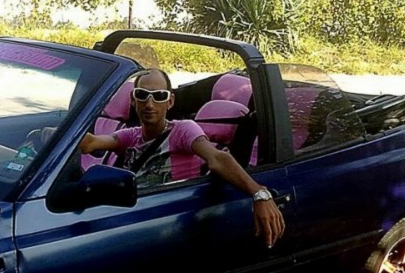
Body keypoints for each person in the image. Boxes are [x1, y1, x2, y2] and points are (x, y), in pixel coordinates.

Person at [79, 68, 286, 247]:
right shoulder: (131, 136)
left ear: (170, 101)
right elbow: (90, 143)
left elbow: (217, 158)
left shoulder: (183, 130)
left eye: (159, 96)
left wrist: (260, 194)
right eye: (142, 95)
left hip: (169, 220)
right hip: (135, 215)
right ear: (133, 100)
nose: (149, 104)